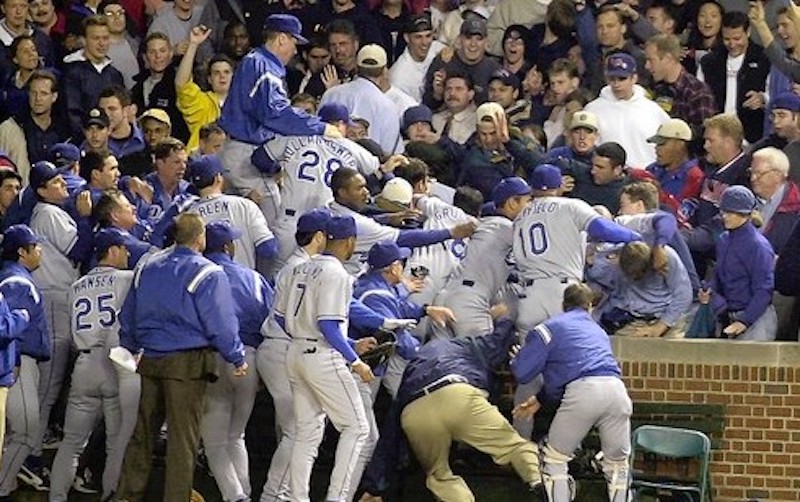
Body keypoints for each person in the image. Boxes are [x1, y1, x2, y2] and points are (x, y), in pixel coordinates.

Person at [116, 213, 247, 501]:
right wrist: (236, 356)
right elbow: (220, 323)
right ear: (200, 238)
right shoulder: (207, 272)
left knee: (143, 434)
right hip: (187, 363)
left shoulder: (146, 267)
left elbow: (128, 315)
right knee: (182, 440)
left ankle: (126, 496)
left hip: (149, 360)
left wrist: (131, 346)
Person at [274, 215, 374, 502]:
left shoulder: (298, 268)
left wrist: (348, 343)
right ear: (350, 241)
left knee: (306, 433)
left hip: (295, 352)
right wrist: (355, 360)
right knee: (357, 428)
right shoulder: (337, 274)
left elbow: (281, 318)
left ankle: (298, 498)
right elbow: (328, 324)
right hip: (321, 355)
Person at [397, 316, 542, 501]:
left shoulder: (415, 361)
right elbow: (495, 343)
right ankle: (541, 483)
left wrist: (374, 485)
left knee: (439, 474)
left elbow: (394, 417)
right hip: (456, 394)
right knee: (513, 446)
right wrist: (505, 318)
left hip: (415, 410)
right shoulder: (462, 344)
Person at [511, 283, 632, 502]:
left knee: (554, 458)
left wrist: (518, 358)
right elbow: (572, 370)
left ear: (563, 305)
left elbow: (522, 373)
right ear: (589, 306)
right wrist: (540, 399)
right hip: (617, 391)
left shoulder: (548, 327)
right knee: (617, 465)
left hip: (584, 392)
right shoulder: (599, 331)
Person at [219, 14, 339, 225]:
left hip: (237, 151)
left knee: (239, 228)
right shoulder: (263, 66)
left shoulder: (255, 61)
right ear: (282, 39)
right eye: (294, 41)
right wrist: (320, 127)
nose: (295, 50)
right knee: (272, 226)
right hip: (245, 155)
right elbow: (275, 114)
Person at [48, 228, 134, 502]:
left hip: (84, 362)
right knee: (116, 444)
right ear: (112, 251)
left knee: (72, 442)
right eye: (123, 248)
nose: (128, 253)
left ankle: (56, 497)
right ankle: (109, 496)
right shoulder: (128, 279)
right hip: (116, 362)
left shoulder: (76, 285)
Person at [201, 222, 272, 502]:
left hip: (213, 358)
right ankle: (245, 494)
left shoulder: (200, 274)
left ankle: (235, 497)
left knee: (216, 442)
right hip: (250, 357)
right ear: (228, 247)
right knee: (236, 436)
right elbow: (270, 319)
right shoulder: (253, 277)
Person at [433, 176, 531, 338]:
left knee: (443, 359)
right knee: (480, 358)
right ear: (512, 203)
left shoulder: (487, 223)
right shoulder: (506, 228)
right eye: (528, 201)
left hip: (446, 296)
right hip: (469, 301)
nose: (531, 206)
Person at [328, 167, 476, 275]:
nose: (366, 192)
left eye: (365, 187)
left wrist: (388, 218)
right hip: (349, 281)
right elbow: (405, 238)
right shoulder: (360, 224)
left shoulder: (329, 208)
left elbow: (359, 223)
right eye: (359, 188)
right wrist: (451, 232)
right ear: (342, 192)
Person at [0, 225, 50, 496]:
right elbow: (6, 327)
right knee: (26, 432)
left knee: (14, 433)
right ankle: (3, 487)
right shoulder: (16, 282)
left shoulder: (15, 277)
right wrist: (16, 361)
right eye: (35, 246)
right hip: (18, 363)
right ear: (22, 251)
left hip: (19, 363)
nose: (40, 250)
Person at [699, 186, 777, 341]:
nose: (725, 216)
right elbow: (720, 275)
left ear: (745, 214)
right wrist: (710, 290)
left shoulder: (758, 246)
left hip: (757, 319)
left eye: (731, 212)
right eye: (724, 211)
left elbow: (764, 289)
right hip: (730, 317)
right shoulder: (723, 240)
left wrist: (745, 320)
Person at [186, 155, 278, 272]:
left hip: (204, 283)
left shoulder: (188, 216)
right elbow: (268, 248)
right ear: (218, 178)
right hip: (242, 282)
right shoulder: (245, 205)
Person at [588, 240, 692, 338]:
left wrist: (659, 327)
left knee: (672, 351)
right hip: (630, 316)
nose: (634, 278)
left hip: (665, 314)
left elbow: (683, 295)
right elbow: (593, 274)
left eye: (638, 275)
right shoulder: (611, 254)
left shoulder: (665, 257)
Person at [583, 52, 670, 168]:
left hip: (648, 175)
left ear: (634, 78)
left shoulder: (652, 109)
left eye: (622, 78)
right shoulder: (593, 109)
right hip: (609, 177)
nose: (616, 84)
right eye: (612, 79)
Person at [320, 44, 404, 155]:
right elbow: (390, 152)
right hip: (371, 169)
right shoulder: (388, 105)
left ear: (356, 67)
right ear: (384, 71)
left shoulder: (331, 94)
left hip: (331, 166)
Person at [644, 118, 704, 213]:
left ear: (679, 145)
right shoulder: (652, 169)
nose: (656, 148)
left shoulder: (694, 176)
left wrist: (658, 193)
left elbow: (684, 214)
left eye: (662, 144)